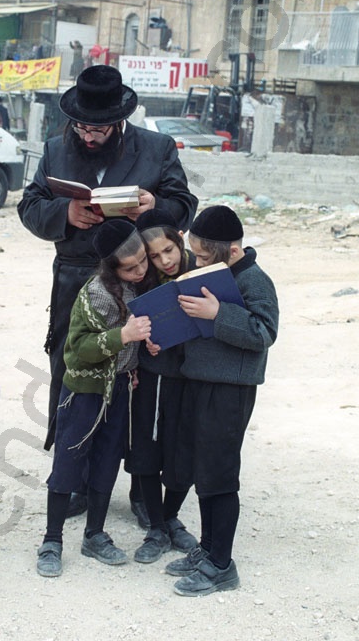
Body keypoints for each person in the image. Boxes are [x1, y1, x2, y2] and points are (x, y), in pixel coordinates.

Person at [17, 64, 198, 522]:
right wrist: (65, 213)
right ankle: (74, 480)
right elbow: (29, 205)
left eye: (98, 128)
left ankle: (142, 488)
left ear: (118, 121)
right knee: (73, 372)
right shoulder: (56, 149)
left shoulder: (156, 148)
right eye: (83, 126)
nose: (90, 136)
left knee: (143, 381)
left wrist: (157, 206)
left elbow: (185, 205)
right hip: (75, 279)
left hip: (142, 279)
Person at [164, 206, 279, 596]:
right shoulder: (212, 271)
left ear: (231, 250)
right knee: (202, 470)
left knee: (220, 476)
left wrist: (218, 313)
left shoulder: (255, 281)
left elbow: (264, 332)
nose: (196, 261)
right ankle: (207, 548)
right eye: (193, 253)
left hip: (229, 391)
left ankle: (221, 566)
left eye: (204, 255)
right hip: (198, 382)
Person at [37, 220, 152, 578]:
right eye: (130, 267)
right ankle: (51, 540)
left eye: (143, 262)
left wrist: (144, 347)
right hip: (84, 395)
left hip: (120, 393)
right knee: (68, 464)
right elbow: (76, 352)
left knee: (106, 463)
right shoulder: (94, 295)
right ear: (111, 267)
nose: (140, 270)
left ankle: (95, 535)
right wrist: (124, 335)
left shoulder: (143, 288)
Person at [126, 208, 198, 564]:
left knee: (184, 452)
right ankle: (156, 525)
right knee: (146, 451)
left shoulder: (203, 271)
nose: (164, 260)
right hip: (154, 377)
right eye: (154, 256)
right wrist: (144, 341)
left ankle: (171, 517)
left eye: (168, 250)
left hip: (193, 379)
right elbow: (132, 324)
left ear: (179, 240)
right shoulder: (143, 282)